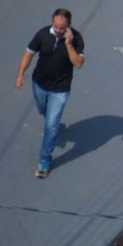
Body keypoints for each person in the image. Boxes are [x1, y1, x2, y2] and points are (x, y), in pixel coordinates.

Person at [15, 9, 86, 178]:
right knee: (43, 110)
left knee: (51, 124)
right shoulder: (42, 34)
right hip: (39, 83)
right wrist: (20, 74)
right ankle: (50, 123)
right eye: (55, 27)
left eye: (62, 28)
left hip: (60, 89)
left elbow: (78, 63)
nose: (58, 30)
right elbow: (28, 54)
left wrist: (68, 44)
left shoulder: (76, 38)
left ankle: (45, 160)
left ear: (68, 25)